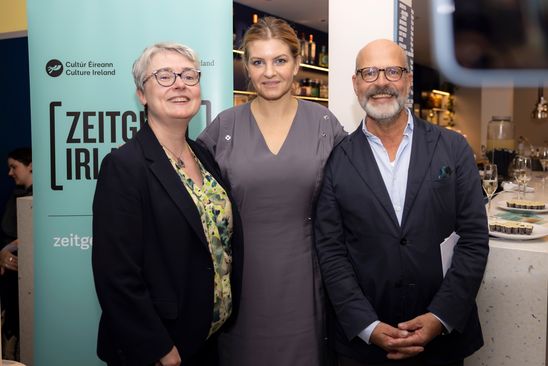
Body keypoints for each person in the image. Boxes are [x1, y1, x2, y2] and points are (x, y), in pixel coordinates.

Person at [314, 39, 489, 366]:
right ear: (355, 84)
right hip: (364, 348)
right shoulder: (337, 159)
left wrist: (440, 316)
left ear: (408, 80)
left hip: (441, 344)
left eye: (392, 71)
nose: (381, 82)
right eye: (369, 72)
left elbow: (474, 240)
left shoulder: (452, 148)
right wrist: (367, 326)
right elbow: (331, 250)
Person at [197, 16, 346, 366]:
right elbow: (192, 203)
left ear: (296, 64)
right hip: (240, 284)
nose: (269, 72)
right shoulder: (225, 126)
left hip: (307, 282)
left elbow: (353, 203)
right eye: (258, 61)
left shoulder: (325, 124)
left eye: (280, 60)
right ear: (246, 66)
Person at [92, 42, 243, 366]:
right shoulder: (124, 165)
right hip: (160, 350)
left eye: (189, 76)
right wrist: (156, 347)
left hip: (206, 339)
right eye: (164, 76)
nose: (179, 84)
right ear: (142, 95)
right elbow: (115, 273)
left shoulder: (203, 155)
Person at [0, 147, 32, 360]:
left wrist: (5, 250)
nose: (10, 173)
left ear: (30, 166)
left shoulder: (41, 199)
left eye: (14, 167)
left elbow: (33, 236)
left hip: (25, 287)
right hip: (11, 286)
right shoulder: (15, 196)